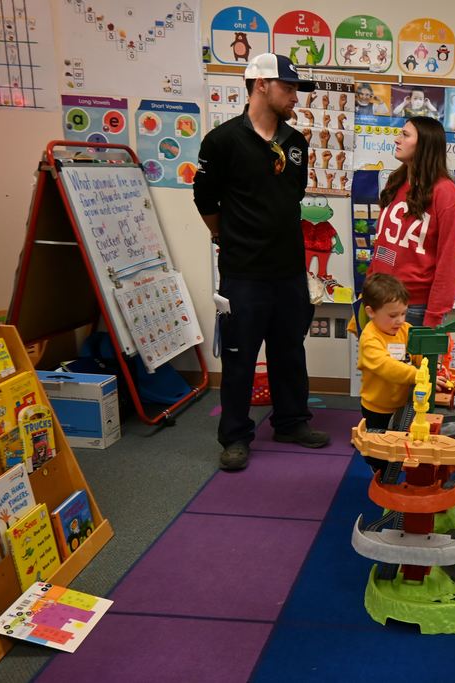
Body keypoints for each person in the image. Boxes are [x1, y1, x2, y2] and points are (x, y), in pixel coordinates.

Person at [193, 53, 330, 471]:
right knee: (239, 357)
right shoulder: (221, 140)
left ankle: (291, 421)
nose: (294, 97)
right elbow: (204, 199)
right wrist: (224, 236)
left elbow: (292, 199)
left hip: (288, 270)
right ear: (260, 86)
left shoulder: (296, 143)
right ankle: (235, 436)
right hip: (244, 273)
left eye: (295, 89)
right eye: (287, 88)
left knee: (290, 351)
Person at [367, 116, 455, 327]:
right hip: (378, 300)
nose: (396, 139)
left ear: (424, 145)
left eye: (405, 135)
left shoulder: (447, 195)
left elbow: (449, 263)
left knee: (410, 362)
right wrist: (368, 288)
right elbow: (383, 244)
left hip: (414, 310)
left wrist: (434, 317)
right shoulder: (396, 181)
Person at [350, 273, 420, 473]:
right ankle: (379, 473)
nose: (400, 320)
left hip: (402, 404)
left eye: (403, 313)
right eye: (392, 316)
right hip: (377, 407)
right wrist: (416, 374)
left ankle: (393, 470)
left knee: (400, 444)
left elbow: (417, 354)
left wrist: (430, 360)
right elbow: (386, 366)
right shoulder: (370, 339)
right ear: (371, 312)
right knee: (378, 453)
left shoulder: (405, 329)